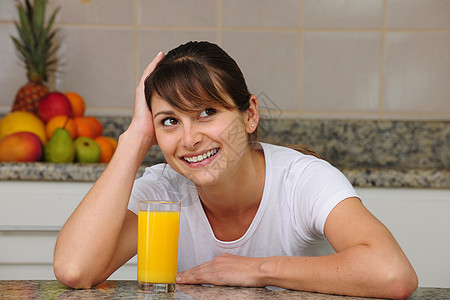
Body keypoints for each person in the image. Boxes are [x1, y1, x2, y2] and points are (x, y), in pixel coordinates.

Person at [53, 41, 418, 299]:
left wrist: (259, 270)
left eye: (207, 113)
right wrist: (133, 139)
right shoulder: (163, 191)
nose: (190, 138)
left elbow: (392, 274)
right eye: (169, 121)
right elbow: (75, 269)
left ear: (250, 114)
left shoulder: (303, 179)